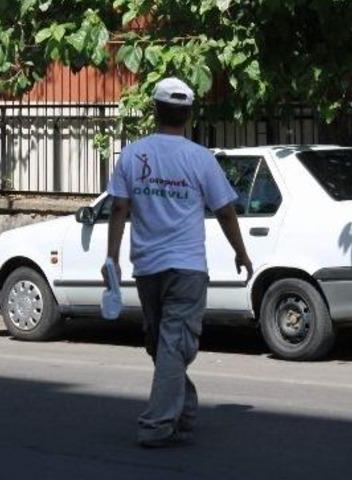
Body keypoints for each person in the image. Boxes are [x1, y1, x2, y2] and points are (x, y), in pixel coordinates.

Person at [102, 77, 253, 448]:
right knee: (163, 345)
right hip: (182, 268)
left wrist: (112, 257)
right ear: (188, 115)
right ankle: (175, 414)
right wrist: (241, 252)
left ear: (155, 111)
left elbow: (119, 208)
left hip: (152, 267)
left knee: (166, 344)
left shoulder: (133, 155)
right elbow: (227, 212)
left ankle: (163, 420)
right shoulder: (199, 158)